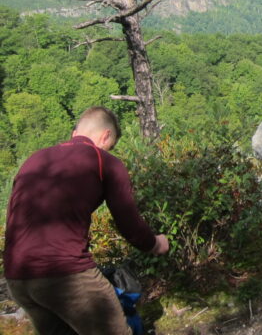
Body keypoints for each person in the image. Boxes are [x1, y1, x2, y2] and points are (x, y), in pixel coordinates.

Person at [3, 106, 169, 335]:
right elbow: (128, 223)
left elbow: (14, 213)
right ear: (105, 136)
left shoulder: (34, 159)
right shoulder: (105, 162)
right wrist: (155, 244)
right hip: (65, 273)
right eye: (110, 146)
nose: (108, 150)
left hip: (17, 277)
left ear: (75, 132)